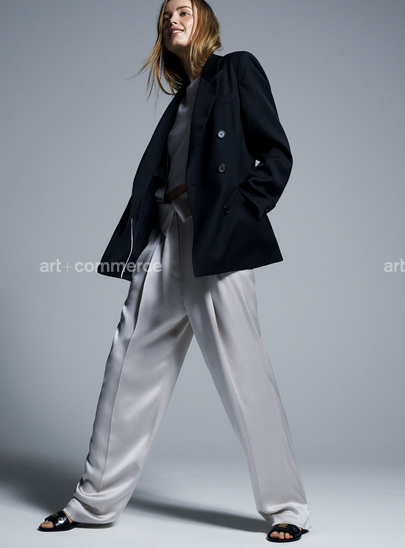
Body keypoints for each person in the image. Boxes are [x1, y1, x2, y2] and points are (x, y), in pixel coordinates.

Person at [38, 0, 311, 542]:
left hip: (215, 240)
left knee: (245, 377)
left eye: (183, 10)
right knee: (127, 368)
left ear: (204, 19)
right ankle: (92, 503)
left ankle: (287, 508)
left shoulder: (236, 70)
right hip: (165, 234)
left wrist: (240, 213)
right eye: (165, 14)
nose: (172, 19)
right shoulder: (181, 99)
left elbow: (276, 154)